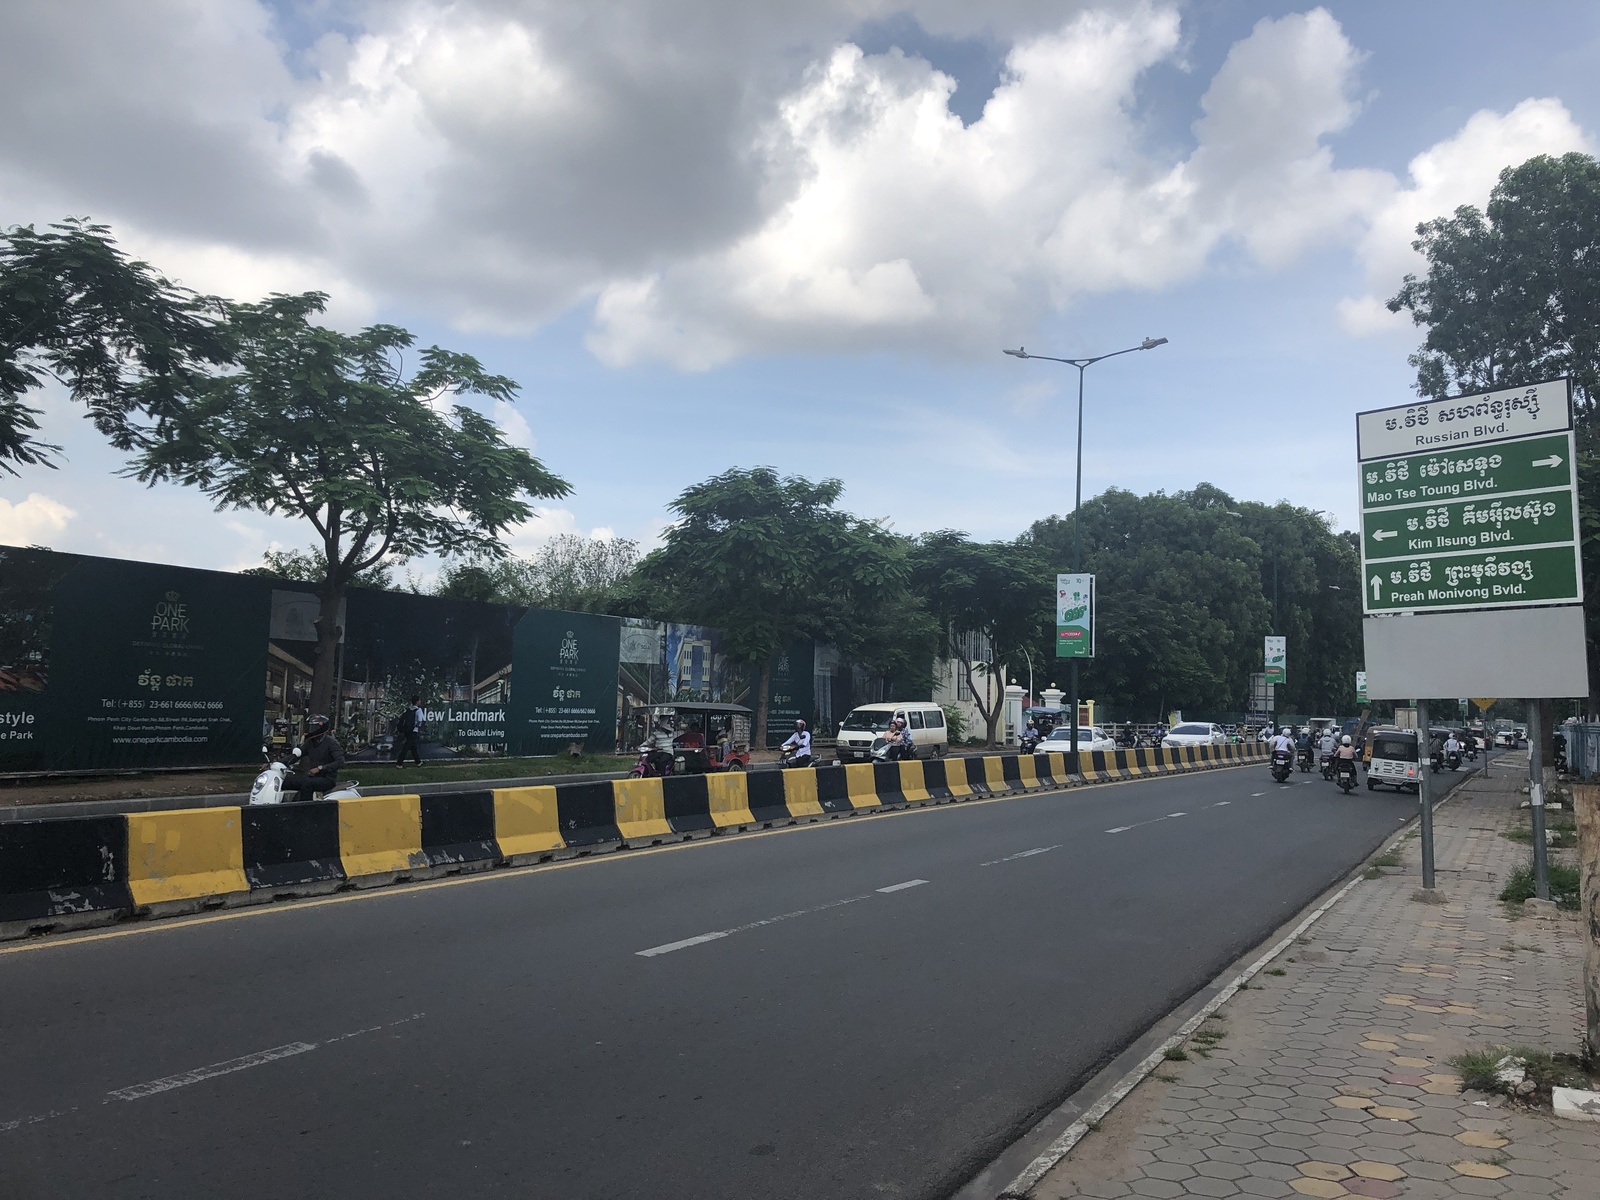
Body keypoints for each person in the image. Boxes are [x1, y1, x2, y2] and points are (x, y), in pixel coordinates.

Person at [283, 714, 345, 802]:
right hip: (311, 777)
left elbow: (340, 762)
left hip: (327, 779)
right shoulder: (309, 743)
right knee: (285, 781)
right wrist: (276, 763)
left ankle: (306, 811)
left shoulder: (331, 743)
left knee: (307, 784)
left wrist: (320, 768)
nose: (309, 730)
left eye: (313, 727)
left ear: (320, 728)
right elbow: (296, 755)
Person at [394, 695, 425, 767]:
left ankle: (418, 762)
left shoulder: (409, 710)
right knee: (406, 747)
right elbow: (420, 720)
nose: (420, 702)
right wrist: (418, 727)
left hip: (407, 731)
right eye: (419, 700)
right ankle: (399, 763)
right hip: (413, 731)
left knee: (413, 747)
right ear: (417, 701)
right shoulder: (418, 710)